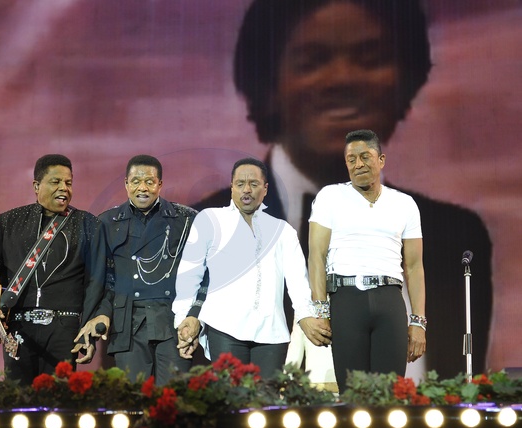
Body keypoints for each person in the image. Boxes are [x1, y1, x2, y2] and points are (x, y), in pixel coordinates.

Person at [196, 0, 492, 381]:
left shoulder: (456, 235)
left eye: (370, 58)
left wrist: (417, 321)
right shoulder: (209, 226)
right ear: (268, 84)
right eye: (312, 61)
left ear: (405, 79)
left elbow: (457, 383)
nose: (342, 79)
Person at [173, 158, 321, 378]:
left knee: (267, 396)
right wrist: (184, 317)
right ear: (232, 187)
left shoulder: (282, 231)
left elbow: (298, 282)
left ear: (265, 189)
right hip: (224, 327)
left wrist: (306, 315)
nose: (247, 190)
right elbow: (189, 274)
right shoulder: (211, 220)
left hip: (272, 331)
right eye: (240, 184)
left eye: (253, 184)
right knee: (231, 395)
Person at [0, 154, 109, 386]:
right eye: (56, 182)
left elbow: (98, 281)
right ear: (36, 186)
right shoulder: (8, 222)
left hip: (64, 331)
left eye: (68, 182)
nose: (63, 188)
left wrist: (89, 327)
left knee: (59, 400)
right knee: (18, 400)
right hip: (18, 328)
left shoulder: (89, 224)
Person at [308, 129, 426, 391]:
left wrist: (418, 322)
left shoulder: (404, 204)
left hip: (389, 301)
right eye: (351, 159)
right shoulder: (330, 197)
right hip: (346, 301)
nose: (358, 164)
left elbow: (414, 266)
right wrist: (321, 311)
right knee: (353, 394)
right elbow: (316, 256)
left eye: (365, 157)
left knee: (389, 392)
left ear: (381, 160)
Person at [82, 155, 198, 385]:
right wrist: (100, 314)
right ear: (126, 184)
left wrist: (195, 316)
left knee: (174, 397)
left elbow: (202, 276)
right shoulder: (107, 222)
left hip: (174, 323)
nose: (142, 188)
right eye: (136, 181)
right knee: (133, 398)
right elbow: (103, 280)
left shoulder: (186, 219)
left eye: (149, 181)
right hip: (127, 324)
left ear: (160, 184)